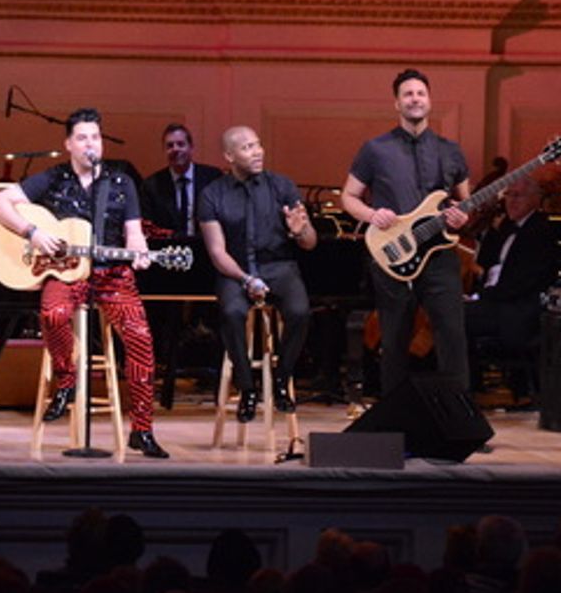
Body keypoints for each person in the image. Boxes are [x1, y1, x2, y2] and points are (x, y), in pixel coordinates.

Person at [0, 107, 168, 458]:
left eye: (95, 137)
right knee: (53, 314)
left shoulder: (121, 181)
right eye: (82, 138)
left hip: (112, 275)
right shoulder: (53, 178)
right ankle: (67, 379)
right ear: (68, 143)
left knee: (141, 339)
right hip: (67, 272)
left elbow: (133, 234)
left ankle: (142, 429)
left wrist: (140, 252)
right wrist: (33, 233)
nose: (90, 144)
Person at [340, 68, 472, 398]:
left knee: (452, 337)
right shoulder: (375, 149)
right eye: (408, 94)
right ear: (396, 104)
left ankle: (459, 422)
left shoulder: (450, 151)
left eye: (421, 93)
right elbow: (348, 197)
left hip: (439, 255)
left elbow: (465, 203)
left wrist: (460, 217)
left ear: (430, 101)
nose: (415, 99)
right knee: (395, 338)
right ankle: (394, 421)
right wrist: (372, 214)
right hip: (393, 255)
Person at [198, 126, 316, 421]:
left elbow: (310, 242)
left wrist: (301, 231)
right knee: (231, 312)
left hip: (279, 266)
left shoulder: (282, 186)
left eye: (258, 144)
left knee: (300, 312)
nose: (257, 151)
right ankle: (247, 386)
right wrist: (246, 279)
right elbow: (216, 252)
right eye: (247, 147)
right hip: (235, 270)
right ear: (229, 156)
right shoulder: (213, 195)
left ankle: (281, 378)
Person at [464, 175, 561, 403]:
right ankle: (468, 386)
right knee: (450, 315)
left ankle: (468, 388)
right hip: (496, 302)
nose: (511, 201)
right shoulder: (506, 227)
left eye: (517, 196)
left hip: (516, 310)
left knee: (454, 319)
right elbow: (487, 264)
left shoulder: (540, 230)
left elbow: (522, 283)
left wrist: (483, 298)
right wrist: (489, 221)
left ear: (535, 200)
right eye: (508, 195)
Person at [140, 123, 222, 237]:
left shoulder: (212, 178)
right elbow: (149, 227)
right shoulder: (151, 185)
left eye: (181, 144)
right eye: (170, 146)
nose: (175, 149)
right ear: (164, 150)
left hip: (206, 248)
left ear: (191, 147)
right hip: (167, 249)